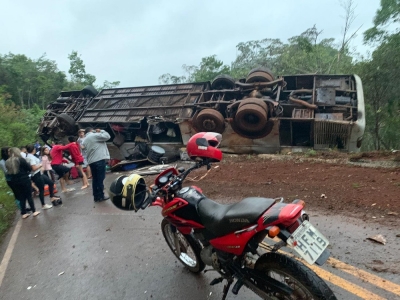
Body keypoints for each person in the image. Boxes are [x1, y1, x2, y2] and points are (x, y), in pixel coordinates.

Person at [6, 147, 39, 219]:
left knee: (21, 196)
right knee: (29, 195)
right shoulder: (21, 160)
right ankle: (34, 211)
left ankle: (23, 213)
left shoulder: (7, 162)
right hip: (24, 179)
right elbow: (29, 168)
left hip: (14, 181)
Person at [83, 127, 110, 202]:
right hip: (99, 160)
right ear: (91, 131)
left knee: (95, 179)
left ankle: (96, 196)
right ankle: (101, 196)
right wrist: (101, 130)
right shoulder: (94, 136)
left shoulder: (85, 140)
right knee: (100, 179)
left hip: (92, 161)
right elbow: (107, 136)